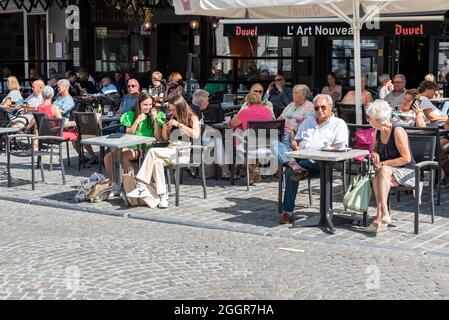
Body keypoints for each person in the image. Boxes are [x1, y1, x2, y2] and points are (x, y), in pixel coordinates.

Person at [274, 94, 349, 224]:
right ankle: (295, 167)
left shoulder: (338, 123)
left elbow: (340, 145)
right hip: (301, 158)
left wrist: (320, 150)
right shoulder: (308, 121)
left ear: (330, 107)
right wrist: (295, 144)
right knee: (275, 144)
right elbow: (296, 140)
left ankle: (287, 211)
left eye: (323, 107)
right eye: (316, 108)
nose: (319, 110)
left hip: (321, 162)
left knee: (289, 172)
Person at [127, 95, 200, 209]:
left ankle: (141, 185)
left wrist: (179, 125)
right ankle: (163, 197)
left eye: (173, 109)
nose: (171, 112)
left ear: (180, 107)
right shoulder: (172, 118)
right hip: (171, 149)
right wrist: (166, 129)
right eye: (170, 109)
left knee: (152, 151)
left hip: (183, 152)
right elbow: (165, 139)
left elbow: (196, 134)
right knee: (156, 162)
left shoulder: (192, 118)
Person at [366, 100, 416, 233]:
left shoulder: (397, 130)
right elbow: (373, 150)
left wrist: (384, 163)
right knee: (377, 179)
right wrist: (375, 154)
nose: (368, 120)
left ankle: (381, 214)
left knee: (382, 172)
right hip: (386, 174)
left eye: (369, 117)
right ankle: (382, 216)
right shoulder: (377, 131)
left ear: (377, 119)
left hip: (407, 171)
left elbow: (406, 158)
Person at [104, 93, 166, 189]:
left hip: (146, 147)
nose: (148, 107)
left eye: (150, 104)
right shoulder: (131, 115)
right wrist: (137, 121)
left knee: (123, 157)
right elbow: (129, 133)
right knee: (107, 157)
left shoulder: (156, 116)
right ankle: (116, 183)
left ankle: (132, 184)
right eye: (145, 105)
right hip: (131, 145)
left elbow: (157, 137)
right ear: (139, 104)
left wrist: (155, 120)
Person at [28, 86, 79, 150]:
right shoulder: (53, 107)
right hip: (56, 135)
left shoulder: (39, 107)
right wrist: (75, 123)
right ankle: (82, 156)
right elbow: (62, 123)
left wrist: (28, 127)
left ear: (43, 95)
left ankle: (82, 156)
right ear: (52, 95)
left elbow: (35, 121)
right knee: (76, 134)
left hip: (44, 135)